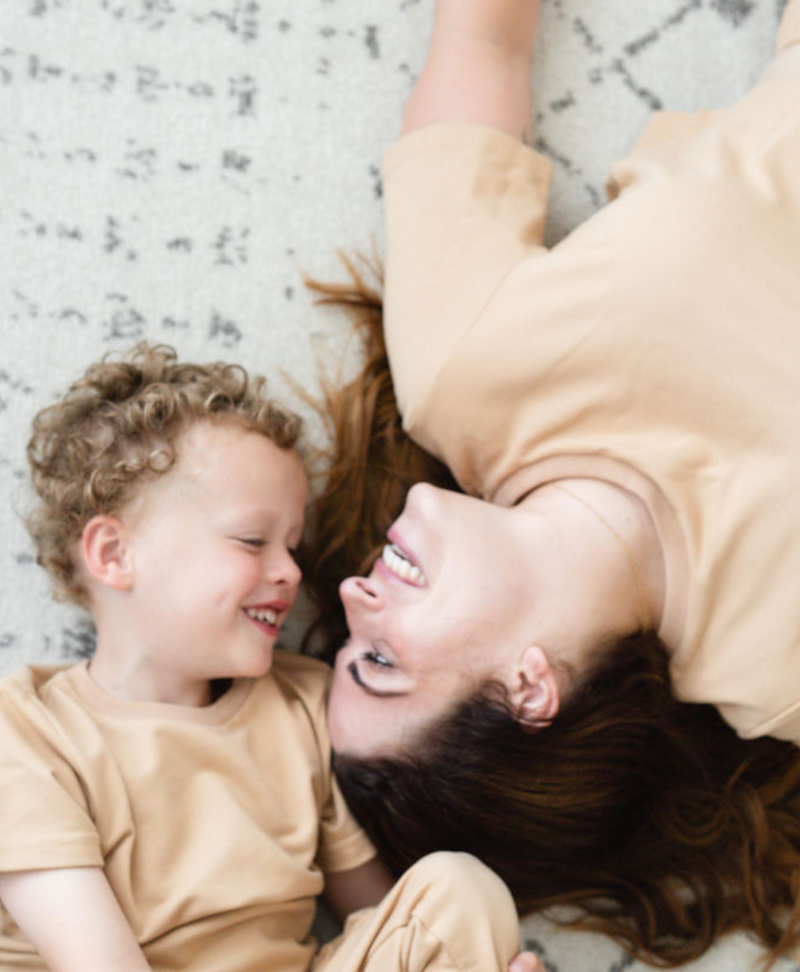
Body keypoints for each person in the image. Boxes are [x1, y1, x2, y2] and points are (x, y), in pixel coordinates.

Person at [299, 0, 800, 965]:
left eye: (346, 640)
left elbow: (483, 39)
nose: (356, 594)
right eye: (382, 660)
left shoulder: (463, 369)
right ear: (529, 690)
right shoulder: (777, 674)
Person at [0, 342, 541, 972]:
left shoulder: (302, 706)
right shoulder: (26, 735)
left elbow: (378, 917)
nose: (288, 571)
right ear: (115, 555)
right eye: (252, 540)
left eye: (291, 546)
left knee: (459, 891)